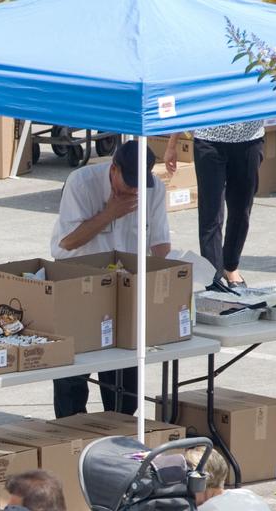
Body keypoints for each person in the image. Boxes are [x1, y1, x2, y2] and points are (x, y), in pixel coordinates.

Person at [50, 140, 170, 419]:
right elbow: (66, 244)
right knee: (72, 374)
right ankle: (72, 430)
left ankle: (118, 425)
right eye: (128, 184)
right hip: (80, 283)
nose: (133, 192)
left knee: (125, 378)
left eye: (139, 186)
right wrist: (109, 213)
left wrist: (165, 281)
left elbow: (160, 243)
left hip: (126, 289)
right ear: (113, 169)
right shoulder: (81, 183)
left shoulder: (154, 190)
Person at [164, 122, 263, 290]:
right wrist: (172, 144)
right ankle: (212, 277)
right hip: (209, 138)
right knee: (211, 213)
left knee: (242, 210)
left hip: (250, 138)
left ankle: (230, 266)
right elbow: (186, 104)